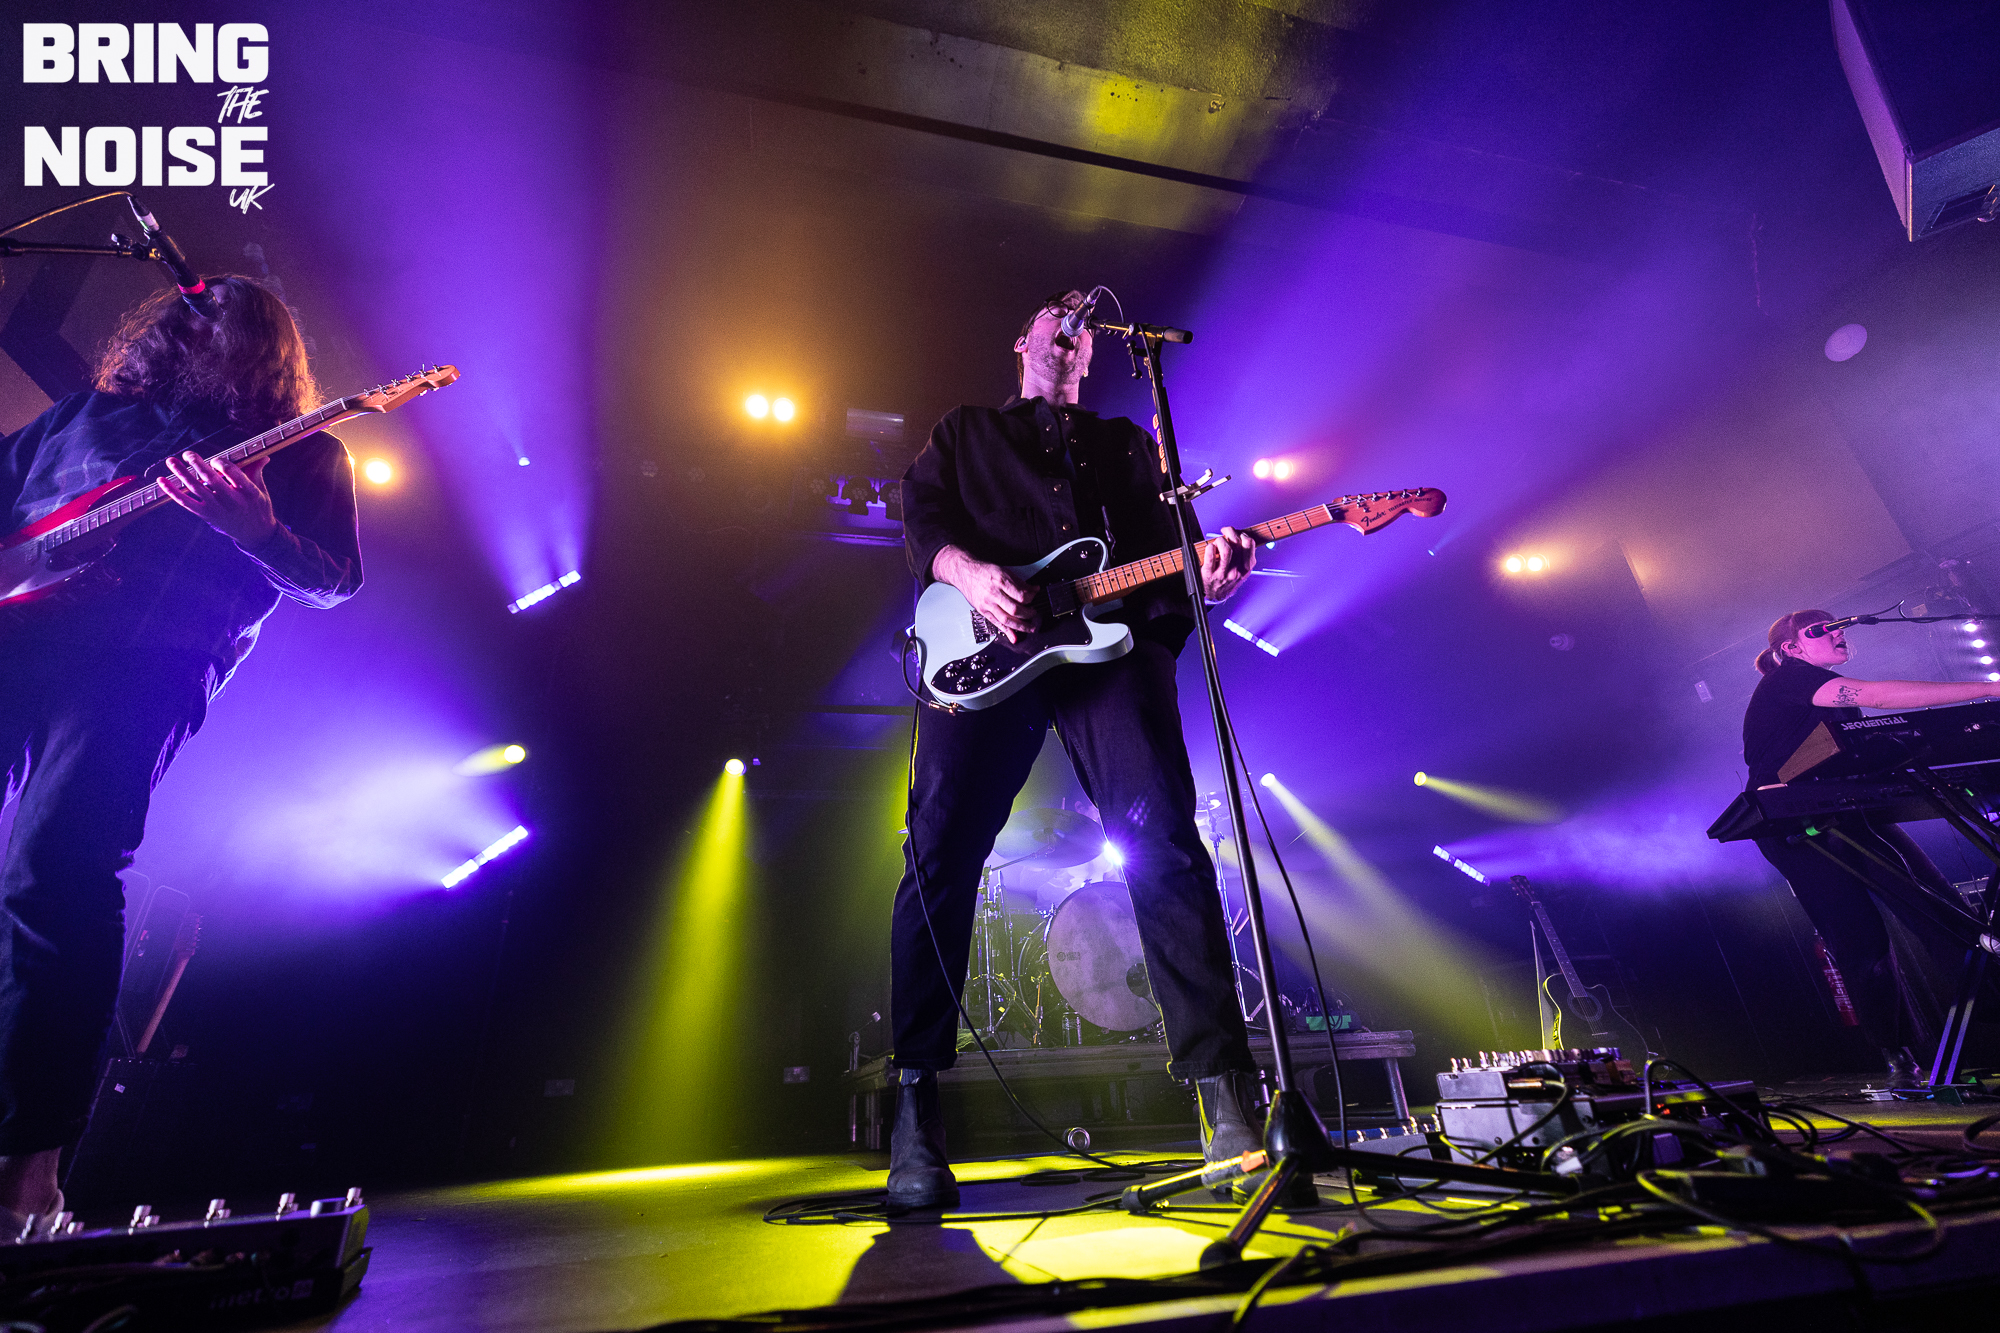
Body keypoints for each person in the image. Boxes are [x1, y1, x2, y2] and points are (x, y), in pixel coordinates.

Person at [887, 289, 1272, 1210]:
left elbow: (1173, 557)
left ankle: (1225, 1100)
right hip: (984, 652)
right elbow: (922, 519)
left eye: (1081, 325)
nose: (1070, 326)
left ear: (1092, 355)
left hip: (1110, 652)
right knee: (938, 854)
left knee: (1167, 845)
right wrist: (971, 574)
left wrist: (1213, 572)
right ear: (1023, 342)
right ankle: (915, 1107)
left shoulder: (1127, 445)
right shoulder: (967, 431)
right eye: (1052, 317)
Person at [0, 277, 361, 1227]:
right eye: (185, 301)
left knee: (53, 879)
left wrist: (257, 530)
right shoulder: (84, 416)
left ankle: (29, 1168)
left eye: (217, 308)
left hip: (139, 669)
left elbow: (333, 581)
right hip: (17, 645)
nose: (190, 310)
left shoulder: (304, 449)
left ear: (262, 345)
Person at [1743, 609, 1997, 1083]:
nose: (1836, 633)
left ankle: (1987, 1011)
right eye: (1819, 630)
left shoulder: (1829, 696)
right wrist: (1989, 689)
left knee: (1939, 907)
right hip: (1793, 823)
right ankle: (1896, 1056)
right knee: (1859, 937)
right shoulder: (1790, 679)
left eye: (1837, 625)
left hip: (1846, 809)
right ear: (1790, 649)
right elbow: (1877, 695)